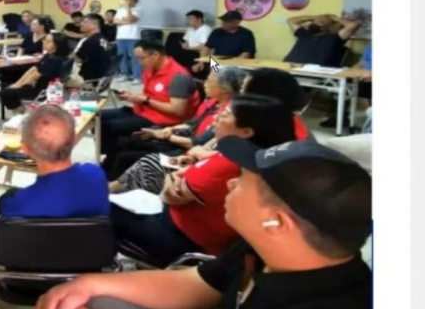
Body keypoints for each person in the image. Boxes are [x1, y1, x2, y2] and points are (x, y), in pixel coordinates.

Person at [35, 139, 372, 309]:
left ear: (277, 222)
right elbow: (200, 283)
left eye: (242, 182)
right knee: (89, 299)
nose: (230, 183)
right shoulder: (266, 248)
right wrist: (90, 283)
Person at [109, 95, 298, 267]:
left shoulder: (228, 164)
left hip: (180, 237)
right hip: (196, 227)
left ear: (246, 131)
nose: (216, 119)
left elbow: (169, 197)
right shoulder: (254, 154)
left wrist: (171, 177)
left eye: (224, 115)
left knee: (100, 207)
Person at [0, 105, 110, 255]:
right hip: (92, 260)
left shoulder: (15, 204)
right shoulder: (96, 174)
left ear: (25, 149)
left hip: (30, 266)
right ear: (74, 139)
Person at [104, 66, 247, 182]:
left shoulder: (227, 115)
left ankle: (112, 189)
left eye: (209, 81)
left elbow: (195, 143)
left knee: (124, 157)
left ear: (224, 90)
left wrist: (164, 135)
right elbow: (190, 123)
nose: (204, 83)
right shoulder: (212, 102)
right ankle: (102, 178)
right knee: (122, 143)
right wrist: (168, 129)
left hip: (184, 152)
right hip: (179, 139)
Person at [100, 40, 200, 162]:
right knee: (98, 117)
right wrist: (133, 96)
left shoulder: (178, 77)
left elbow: (178, 110)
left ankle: (111, 160)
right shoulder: (150, 69)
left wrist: (146, 100)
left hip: (164, 120)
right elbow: (151, 95)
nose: (139, 62)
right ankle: (108, 154)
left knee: (109, 127)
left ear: (155, 55)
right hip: (145, 111)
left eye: (142, 58)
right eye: (137, 58)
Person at [0, 33, 73, 111]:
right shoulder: (52, 56)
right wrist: (17, 84)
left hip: (41, 92)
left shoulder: (53, 60)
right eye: (45, 40)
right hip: (43, 86)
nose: (44, 42)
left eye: (48, 41)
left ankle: (22, 112)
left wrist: (17, 85)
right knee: (13, 85)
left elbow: (35, 75)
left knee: (4, 93)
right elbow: (33, 69)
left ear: (56, 45)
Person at [0, 15, 53, 88]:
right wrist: (18, 58)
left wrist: (40, 55)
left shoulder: (48, 38)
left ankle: (15, 87)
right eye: (31, 24)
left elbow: (47, 53)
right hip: (23, 60)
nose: (31, 26)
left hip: (35, 63)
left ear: (42, 27)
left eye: (34, 24)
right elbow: (21, 48)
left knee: (13, 70)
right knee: (5, 68)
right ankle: (7, 88)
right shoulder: (29, 36)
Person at [284, 14, 360, 67]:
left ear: (331, 26)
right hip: (289, 67)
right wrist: (314, 17)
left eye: (322, 22)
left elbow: (353, 25)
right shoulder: (304, 34)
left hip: (317, 73)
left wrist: (334, 18)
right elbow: (290, 20)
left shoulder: (335, 37)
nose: (318, 22)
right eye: (315, 21)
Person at [73, 13, 112, 82]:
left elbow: (78, 59)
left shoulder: (91, 41)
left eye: (84, 22)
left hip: (89, 79)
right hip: (102, 76)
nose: (80, 24)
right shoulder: (102, 38)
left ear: (94, 24)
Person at [114, 0, 143, 81]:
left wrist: (128, 9)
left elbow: (131, 19)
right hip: (120, 37)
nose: (128, 1)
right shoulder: (120, 10)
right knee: (122, 57)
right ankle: (124, 74)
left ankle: (137, 76)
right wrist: (126, 22)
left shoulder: (138, 9)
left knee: (135, 57)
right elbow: (115, 21)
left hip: (133, 37)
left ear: (136, 0)